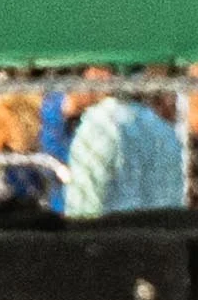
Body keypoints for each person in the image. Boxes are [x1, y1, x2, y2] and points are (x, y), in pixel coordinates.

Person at [61, 71, 186, 216]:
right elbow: (174, 203)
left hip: (107, 235)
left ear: (101, 73)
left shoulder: (96, 126)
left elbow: (82, 209)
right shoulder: (164, 130)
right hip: (163, 233)